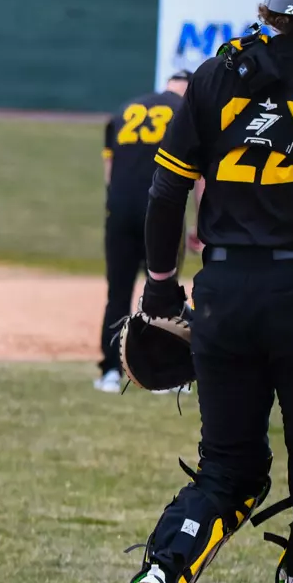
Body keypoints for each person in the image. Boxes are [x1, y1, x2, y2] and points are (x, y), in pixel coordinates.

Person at [121, 0, 293, 583]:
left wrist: (163, 288)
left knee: (229, 468)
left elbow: (165, 198)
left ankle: (160, 574)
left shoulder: (216, 72)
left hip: (224, 294)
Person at [95, 71, 193, 393]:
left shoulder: (126, 110)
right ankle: (167, 375)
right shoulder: (185, 112)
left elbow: (109, 173)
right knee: (163, 290)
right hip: (161, 214)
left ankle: (110, 372)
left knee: (117, 293)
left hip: (119, 212)